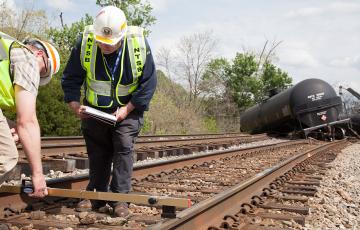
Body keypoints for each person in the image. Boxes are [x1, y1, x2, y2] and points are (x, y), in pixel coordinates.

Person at [62, 5, 157, 217]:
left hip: (128, 109)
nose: (104, 46)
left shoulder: (138, 45)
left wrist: (127, 109)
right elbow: (71, 78)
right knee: (98, 150)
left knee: (123, 147)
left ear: (121, 37)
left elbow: (148, 84)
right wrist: (74, 104)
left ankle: (119, 199)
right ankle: (96, 194)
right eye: (101, 42)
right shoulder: (85, 43)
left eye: (110, 43)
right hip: (95, 110)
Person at [0, 31, 61, 198]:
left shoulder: (9, 49)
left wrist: (12, 128)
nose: (38, 77)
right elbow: (27, 122)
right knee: (6, 158)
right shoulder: (28, 58)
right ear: (40, 54)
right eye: (43, 71)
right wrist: (38, 175)